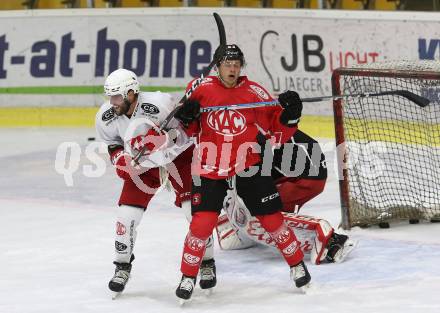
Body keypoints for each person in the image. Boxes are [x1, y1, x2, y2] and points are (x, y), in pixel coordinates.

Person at [173, 44, 311, 302]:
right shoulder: (200, 90)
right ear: (218, 66)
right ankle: (187, 276)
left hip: (248, 164)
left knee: (271, 219)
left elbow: (278, 134)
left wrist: (291, 115)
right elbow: (187, 133)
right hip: (210, 166)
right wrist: (188, 117)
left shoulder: (255, 92)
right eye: (228, 64)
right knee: (201, 224)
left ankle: (296, 265)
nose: (233, 69)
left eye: (237, 64)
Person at [95, 68, 216, 297]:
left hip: (178, 158)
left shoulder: (160, 103)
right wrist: (121, 159)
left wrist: (165, 138)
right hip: (144, 166)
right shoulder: (106, 116)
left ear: (132, 93)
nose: (113, 102)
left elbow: (187, 130)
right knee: (126, 218)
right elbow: (113, 143)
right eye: (110, 97)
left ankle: (207, 261)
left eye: (117, 96)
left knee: (195, 212)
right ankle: (122, 266)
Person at [216, 129, 355, 264]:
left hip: (306, 174)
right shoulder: (243, 126)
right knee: (260, 208)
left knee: (262, 214)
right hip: (297, 167)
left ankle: (330, 239)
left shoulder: (245, 136)